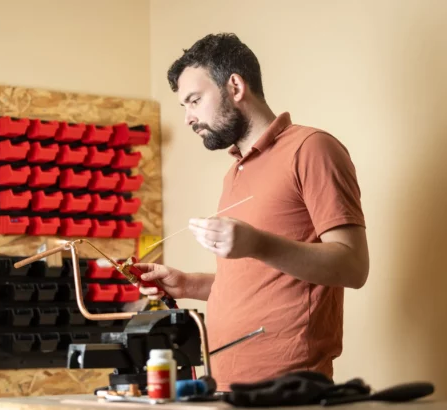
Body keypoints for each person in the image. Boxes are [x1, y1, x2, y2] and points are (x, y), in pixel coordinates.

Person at [135, 33, 369, 392]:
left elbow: (353, 266)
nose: (188, 118)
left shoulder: (312, 149)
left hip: (287, 389)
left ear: (235, 86)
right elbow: (264, 280)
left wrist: (257, 243)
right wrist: (188, 284)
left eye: (194, 101)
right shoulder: (234, 172)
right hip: (223, 384)